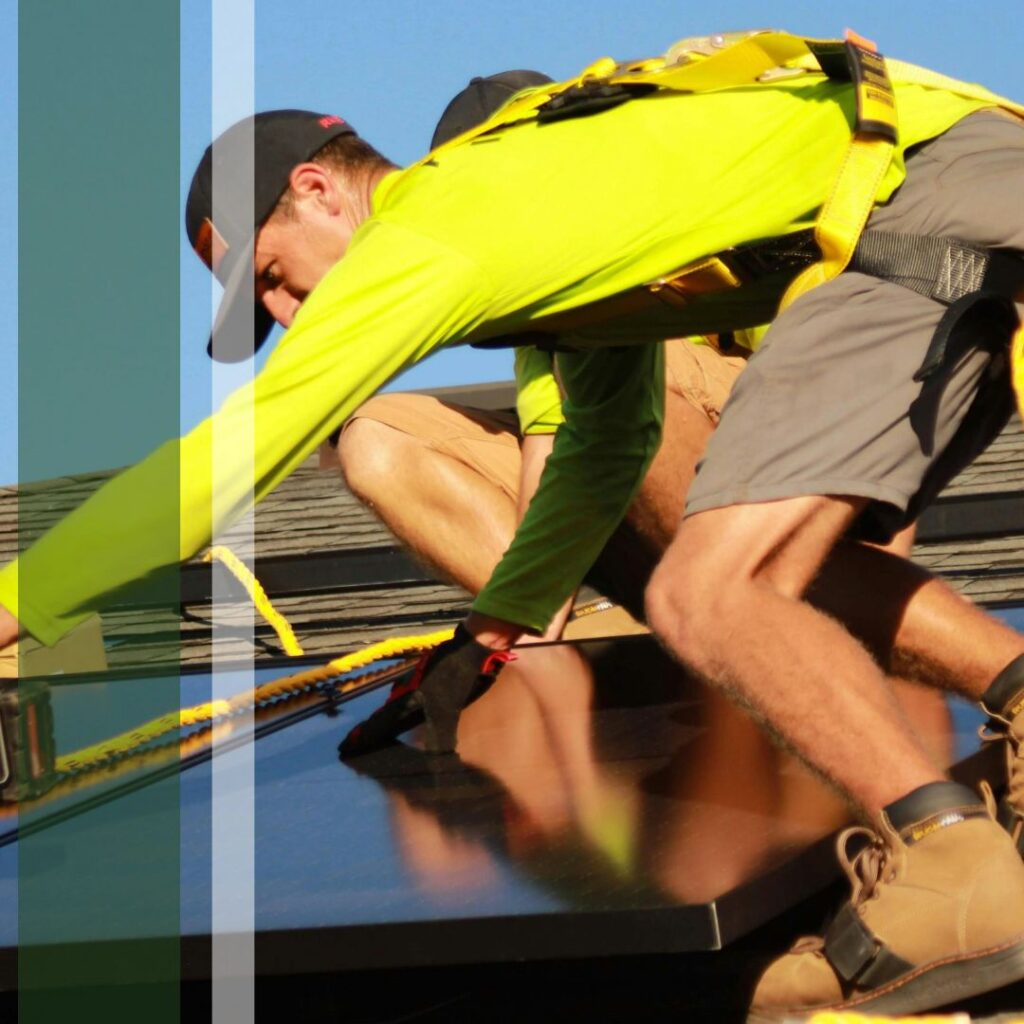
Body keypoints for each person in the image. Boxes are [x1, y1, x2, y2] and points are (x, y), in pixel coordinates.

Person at [2, 28, 1024, 1018]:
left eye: (269, 274)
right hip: (947, 196)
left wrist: (16, 603)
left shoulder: (432, 229)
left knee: (704, 591)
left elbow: (220, 467)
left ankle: (957, 871)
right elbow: (606, 450)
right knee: (761, 571)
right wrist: (494, 628)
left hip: (921, 207)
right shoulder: (541, 212)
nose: (283, 313)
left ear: (316, 187)